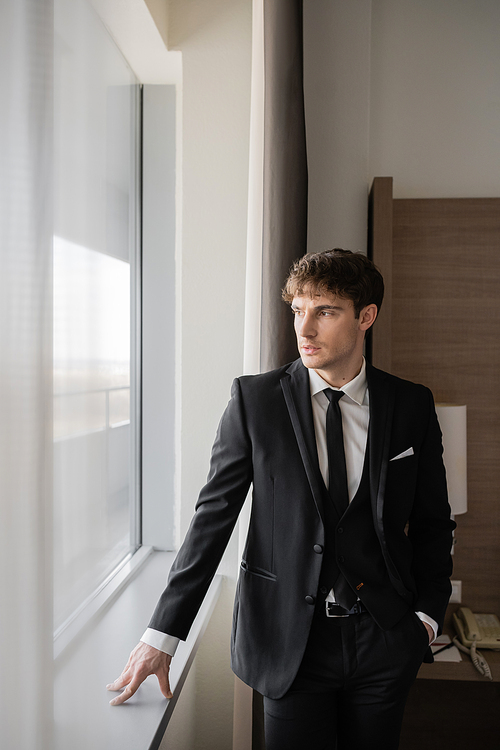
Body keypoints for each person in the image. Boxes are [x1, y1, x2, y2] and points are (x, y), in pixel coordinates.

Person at [107, 249, 455, 750]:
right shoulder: (256, 401)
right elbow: (213, 519)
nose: (305, 329)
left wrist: (425, 618)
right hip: (290, 641)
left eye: (325, 311)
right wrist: (162, 635)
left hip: (384, 639)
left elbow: (432, 522)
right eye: (298, 310)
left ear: (366, 317)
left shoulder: (411, 404)